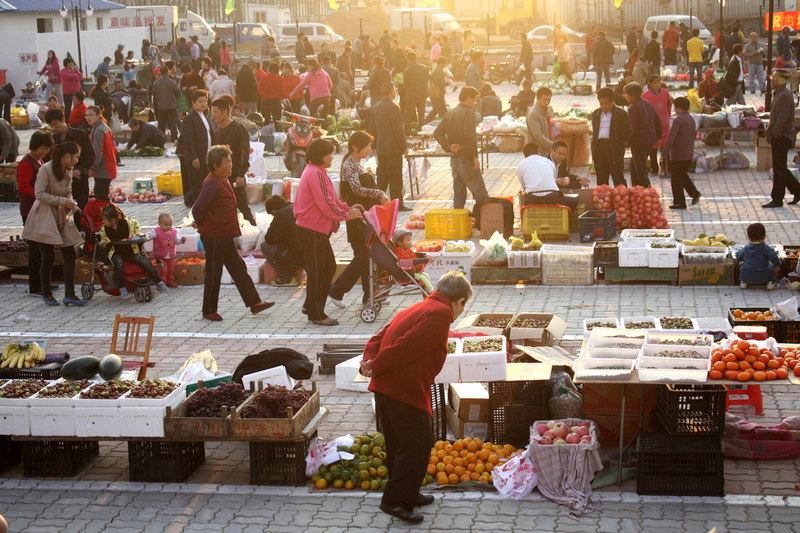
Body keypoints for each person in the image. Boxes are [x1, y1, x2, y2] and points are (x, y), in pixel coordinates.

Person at [360, 271, 473, 524]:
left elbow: (379, 336)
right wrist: (375, 365)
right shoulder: (440, 313)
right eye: (464, 305)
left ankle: (407, 493)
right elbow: (406, 346)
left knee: (398, 443)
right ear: (459, 301)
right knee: (419, 443)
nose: (461, 311)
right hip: (402, 387)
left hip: (388, 384)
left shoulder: (420, 306)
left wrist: (368, 361)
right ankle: (394, 501)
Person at [192, 145, 274, 321]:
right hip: (214, 235)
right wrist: (199, 223)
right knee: (214, 273)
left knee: (238, 268)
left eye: (230, 161)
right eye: (226, 163)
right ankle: (208, 310)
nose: (230, 165)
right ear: (215, 165)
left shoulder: (223, 179)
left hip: (225, 234)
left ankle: (254, 303)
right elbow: (197, 208)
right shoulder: (212, 184)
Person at [294, 139, 362, 326]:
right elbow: (326, 205)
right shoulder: (315, 173)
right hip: (311, 230)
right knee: (318, 272)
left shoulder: (318, 171)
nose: (332, 157)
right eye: (330, 153)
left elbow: (332, 199)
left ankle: (311, 306)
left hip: (315, 230)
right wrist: (347, 215)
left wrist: (348, 208)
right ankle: (316, 314)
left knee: (327, 268)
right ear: (320, 155)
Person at [329, 132, 389, 308]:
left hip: (366, 216)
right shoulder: (349, 164)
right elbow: (356, 189)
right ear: (355, 147)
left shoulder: (356, 164)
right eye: (366, 146)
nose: (369, 149)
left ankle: (370, 295)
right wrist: (379, 194)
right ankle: (337, 289)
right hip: (357, 218)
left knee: (368, 256)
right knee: (363, 256)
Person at [20, 142, 85, 306]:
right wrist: (63, 201)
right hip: (44, 216)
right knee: (47, 257)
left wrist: (71, 203)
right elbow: (39, 194)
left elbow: (68, 192)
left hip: (62, 215)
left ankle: (69, 293)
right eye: (76, 157)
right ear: (67, 156)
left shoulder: (68, 171)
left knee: (70, 254)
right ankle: (47, 293)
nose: (76, 161)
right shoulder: (45, 169)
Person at [433, 87, 489, 209]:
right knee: (481, 193)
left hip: (455, 159)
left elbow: (437, 133)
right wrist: (474, 157)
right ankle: (485, 221)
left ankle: (458, 221)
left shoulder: (450, 113)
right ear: (468, 98)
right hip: (466, 157)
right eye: (474, 100)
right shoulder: (468, 112)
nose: (475, 103)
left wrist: (449, 146)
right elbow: (470, 137)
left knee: (459, 193)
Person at [98, 204, 168, 298]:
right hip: (117, 252)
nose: (103, 222)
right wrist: (103, 243)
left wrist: (138, 233)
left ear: (113, 220)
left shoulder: (127, 223)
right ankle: (122, 287)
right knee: (118, 265)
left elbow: (135, 223)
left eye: (104, 219)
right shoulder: (104, 230)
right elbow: (104, 240)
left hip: (131, 250)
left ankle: (158, 280)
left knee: (144, 262)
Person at [17, 131, 54, 297]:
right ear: (34, 146)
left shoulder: (38, 160)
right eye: (42, 148)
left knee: (42, 248)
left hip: (40, 208)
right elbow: (23, 186)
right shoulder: (26, 163)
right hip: (30, 210)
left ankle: (43, 282)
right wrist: (41, 194)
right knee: (35, 249)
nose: (44, 152)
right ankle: (35, 285)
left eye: (47, 149)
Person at [210, 97, 255, 226]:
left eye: (216, 112)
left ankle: (253, 231)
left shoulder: (238, 129)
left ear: (225, 112)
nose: (213, 116)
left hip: (236, 176)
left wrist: (241, 174)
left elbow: (244, 153)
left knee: (242, 207)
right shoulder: (218, 132)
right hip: (221, 178)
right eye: (212, 112)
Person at [764, 69, 800, 208]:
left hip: (782, 136)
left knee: (779, 170)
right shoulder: (779, 94)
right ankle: (797, 190)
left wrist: (776, 135)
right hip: (778, 136)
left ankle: (777, 199)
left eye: (776, 78)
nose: (772, 80)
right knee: (780, 168)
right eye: (772, 77)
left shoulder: (784, 95)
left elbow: (782, 119)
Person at [44, 108, 94, 209]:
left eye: (56, 124)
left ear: (63, 120)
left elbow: (90, 156)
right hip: (60, 182)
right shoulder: (53, 139)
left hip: (79, 181)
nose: (54, 127)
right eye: (51, 125)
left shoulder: (80, 135)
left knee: (81, 209)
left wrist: (79, 169)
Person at [370, 83, 409, 211]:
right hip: (393, 148)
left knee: (382, 176)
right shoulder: (393, 107)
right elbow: (398, 130)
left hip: (381, 147)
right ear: (392, 92)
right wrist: (404, 147)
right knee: (395, 177)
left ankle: (379, 201)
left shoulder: (375, 107)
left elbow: (373, 129)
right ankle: (397, 204)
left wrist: (374, 146)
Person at [662, 96, 701, 209]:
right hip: (688, 153)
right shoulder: (691, 118)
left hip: (678, 154)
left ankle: (679, 202)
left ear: (678, 107)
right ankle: (694, 193)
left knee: (676, 179)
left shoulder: (678, 120)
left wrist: (665, 152)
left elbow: (671, 138)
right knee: (682, 175)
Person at [517, 141, 577, 210]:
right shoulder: (548, 162)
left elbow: (524, 187)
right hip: (552, 198)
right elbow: (552, 180)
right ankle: (564, 219)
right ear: (538, 152)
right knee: (574, 201)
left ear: (524, 155)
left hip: (532, 200)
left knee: (526, 205)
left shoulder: (521, 165)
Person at [591, 87, 631, 188]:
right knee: (601, 179)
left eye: (606, 103)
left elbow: (628, 132)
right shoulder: (596, 114)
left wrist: (618, 141)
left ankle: (622, 198)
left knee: (618, 177)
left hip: (614, 148)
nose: (603, 106)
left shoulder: (621, 114)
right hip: (599, 148)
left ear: (612, 101)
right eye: (601, 103)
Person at [262, 195, 304, 286]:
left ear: (273, 210)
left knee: (265, 246)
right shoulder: (295, 207)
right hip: (311, 254)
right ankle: (298, 272)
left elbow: (269, 239)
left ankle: (286, 278)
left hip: (299, 257)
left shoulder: (281, 214)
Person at [625, 82, 660, 188]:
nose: (626, 97)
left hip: (638, 141)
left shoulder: (633, 108)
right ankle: (636, 187)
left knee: (640, 167)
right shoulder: (647, 103)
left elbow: (632, 128)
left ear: (633, 95)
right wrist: (658, 137)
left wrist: (626, 141)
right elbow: (657, 120)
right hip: (649, 140)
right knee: (634, 163)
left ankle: (646, 189)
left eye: (627, 94)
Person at [180, 90, 211, 205]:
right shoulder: (190, 118)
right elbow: (188, 140)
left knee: (206, 184)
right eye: (200, 102)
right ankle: (198, 208)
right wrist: (193, 157)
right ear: (193, 103)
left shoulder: (205, 117)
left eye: (205, 101)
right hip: (196, 158)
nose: (203, 104)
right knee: (197, 186)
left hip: (206, 157)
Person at [642, 74, 672, 176]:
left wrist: (668, 115)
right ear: (650, 84)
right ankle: (654, 169)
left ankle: (666, 168)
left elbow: (669, 104)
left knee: (665, 147)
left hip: (664, 124)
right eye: (655, 82)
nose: (657, 84)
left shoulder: (665, 92)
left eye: (658, 82)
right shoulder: (645, 95)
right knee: (653, 148)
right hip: (652, 125)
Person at [144, 212, 185, 288]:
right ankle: (161, 283)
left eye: (170, 225)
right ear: (159, 224)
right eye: (165, 225)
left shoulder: (174, 231)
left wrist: (181, 240)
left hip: (171, 255)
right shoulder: (156, 231)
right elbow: (148, 236)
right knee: (163, 270)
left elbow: (176, 240)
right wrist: (143, 237)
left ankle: (169, 281)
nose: (168, 227)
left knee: (170, 270)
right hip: (160, 256)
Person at [85, 105, 116, 201]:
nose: (88, 118)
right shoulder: (102, 126)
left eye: (91, 115)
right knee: (101, 195)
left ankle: (107, 215)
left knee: (101, 198)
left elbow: (97, 153)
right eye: (86, 115)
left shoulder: (99, 130)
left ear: (98, 115)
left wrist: (92, 167)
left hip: (103, 169)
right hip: (107, 167)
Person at [739, 223, 781, 290]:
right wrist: (777, 264)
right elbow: (774, 257)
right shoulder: (766, 248)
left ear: (749, 239)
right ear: (764, 236)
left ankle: (744, 282)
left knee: (743, 266)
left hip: (747, 275)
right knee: (771, 266)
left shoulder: (746, 248)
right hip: (764, 276)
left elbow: (738, 256)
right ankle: (771, 282)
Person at [402, 52, 429, 134]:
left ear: (407, 59)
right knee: (421, 114)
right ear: (416, 58)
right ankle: (421, 131)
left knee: (408, 115)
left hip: (412, 94)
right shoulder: (424, 68)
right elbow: (427, 79)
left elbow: (406, 84)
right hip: (422, 93)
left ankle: (408, 132)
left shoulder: (407, 70)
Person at [152, 66, 181, 139]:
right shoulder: (172, 82)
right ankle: (174, 139)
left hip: (161, 106)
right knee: (172, 125)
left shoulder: (156, 83)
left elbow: (155, 95)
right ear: (167, 72)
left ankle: (160, 139)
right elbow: (178, 92)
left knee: (161, 125)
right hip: (171, 106)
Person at [526, 87, 553, 156]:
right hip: (537, 152)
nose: (547, 102)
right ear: (537, 98)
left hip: (546, 150)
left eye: (549, 100)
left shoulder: (545, 110)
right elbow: (538, 135)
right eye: (544, 100)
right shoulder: (534, 114)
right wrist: (553, 145)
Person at [425, 56, 449, 123]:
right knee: (442, 109)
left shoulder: (436, 68)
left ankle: (426, 121)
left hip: (435, 91)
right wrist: (446, 83)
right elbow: (438, 81)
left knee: (436, 109)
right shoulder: (438, 70)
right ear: (443, 63)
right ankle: (443, 123)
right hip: (438, 91)